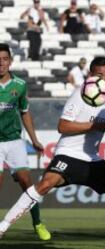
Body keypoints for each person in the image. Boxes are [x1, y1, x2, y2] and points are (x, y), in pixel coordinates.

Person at [0, 57, 105, 249]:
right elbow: (62, 126)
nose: (103, 80)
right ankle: (2, 227)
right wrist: (93, 125)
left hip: (92, 161)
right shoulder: (79, 94)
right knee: (45, 184)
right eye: (99, 75)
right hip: (69, 155)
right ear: (90, 75)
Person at [0, 43, 51, 240]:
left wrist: (35, 140)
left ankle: (37, 222)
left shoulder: (19, 85)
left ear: (10, 61)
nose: (1, 63)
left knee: (27, 184)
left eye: (5, 59)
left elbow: (25, 113)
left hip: (14, 141)